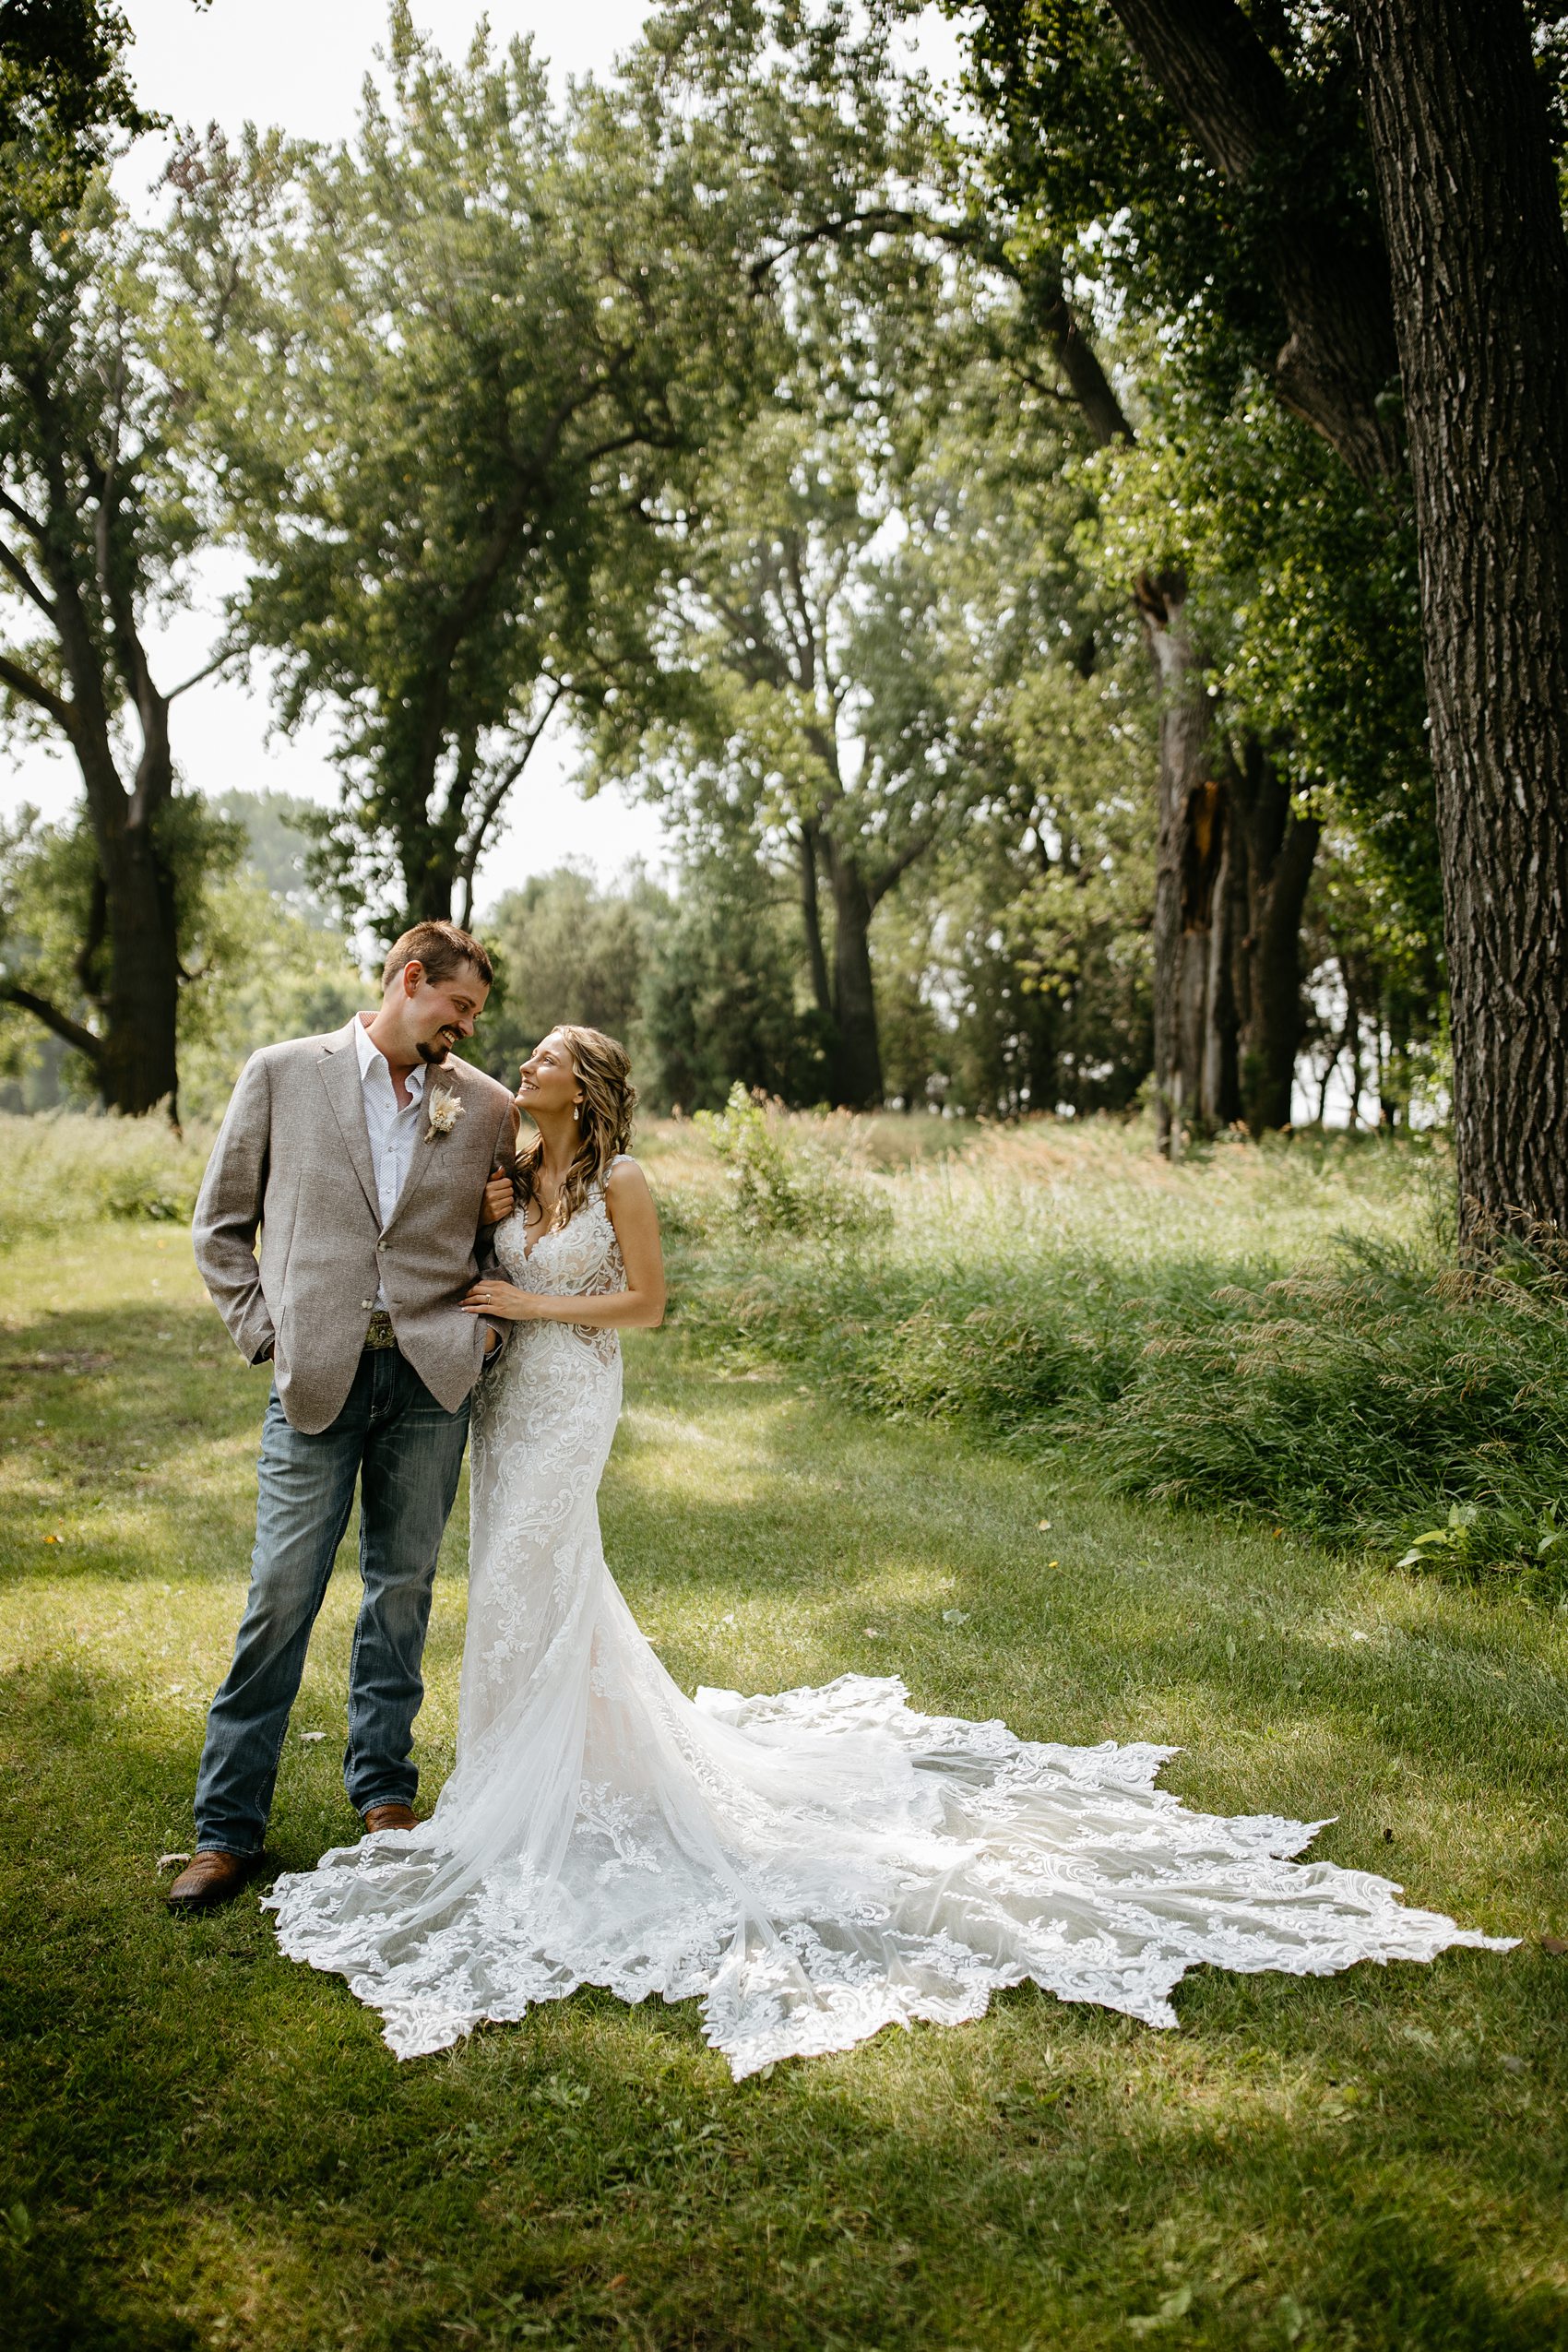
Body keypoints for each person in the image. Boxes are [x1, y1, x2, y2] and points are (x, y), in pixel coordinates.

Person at [265, 1027, 1513, 2077]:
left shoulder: (624, 1180)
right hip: (506, 1404)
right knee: (524, 1592)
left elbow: (645, 1305)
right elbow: (466, 1264)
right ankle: (534, 1768)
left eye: (539, 1056)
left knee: (546, 1566)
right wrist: (493, 1238)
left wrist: (525, 1299)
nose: (516, 1062)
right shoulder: (515, 1166)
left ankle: (540, 1789)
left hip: (575, 1392)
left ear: (580, 1084)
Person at [168, 921, 516, 1913]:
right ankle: (225, 1830)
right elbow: (220, 1225)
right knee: (282, 1593)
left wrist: (480, 1339)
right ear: (411, 981)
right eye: (459, 1008)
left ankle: (384, 1796)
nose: (465, 1029)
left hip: (426, 1386)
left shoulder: (482, 1105)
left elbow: (502, 1244)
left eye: (473, 1017)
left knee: (401, 1590)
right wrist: (266, 1333)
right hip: (315, 1377)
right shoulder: (282, 1073)